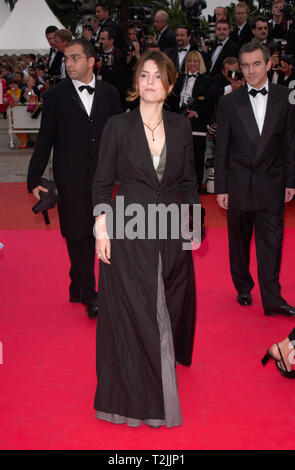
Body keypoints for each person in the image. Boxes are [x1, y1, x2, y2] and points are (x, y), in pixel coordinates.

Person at [92, 50, 199, 427]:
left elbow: (188, 182)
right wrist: (101, 229)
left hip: (170, 233)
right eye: (143, 76)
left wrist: (192, 229)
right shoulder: (117, 127)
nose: (150, 82)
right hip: (128, 233)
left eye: (157, 76)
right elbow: (103, 186)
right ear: (136, 84)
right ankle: (148, 406)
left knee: (166, 309)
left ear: (169, 85)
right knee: (137, 316)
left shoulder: (181, 126)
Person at [27, 38, 122, 319]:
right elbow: (45, 140)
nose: (68, 63)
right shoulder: (54, 96)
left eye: (75, 58)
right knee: (78, 234)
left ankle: (77, 284)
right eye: (66, 58)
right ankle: (91, 295)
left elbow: (120, 135)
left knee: (102, 232)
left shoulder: (110, 93)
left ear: (92, 61)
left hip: (105, 176)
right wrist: (34, 179)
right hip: (70, 177)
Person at [215, 41, 295, 316]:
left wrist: (291, 181)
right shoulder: (228, 102)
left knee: (272, 243)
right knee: (239, 242)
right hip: (238, 183)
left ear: (269, 64)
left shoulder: (286, 98)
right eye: (245, 65)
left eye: (256, 64)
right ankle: (243, 286)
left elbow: (290, 144)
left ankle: (272, 299)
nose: (250, 71)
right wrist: (221, 186)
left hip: (272, 182)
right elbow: (221, 146)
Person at [169, 50, 213, 190]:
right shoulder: (180, 78)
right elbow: (174, 100)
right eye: (189, 61)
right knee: (179, 155)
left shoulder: (207, 80)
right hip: (179, 122)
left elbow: (211, 103)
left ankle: (196, 185)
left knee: (197, 156)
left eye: (195, 61)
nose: (192, 64)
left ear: (200, 63)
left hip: (197, 124)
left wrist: (197, 112)